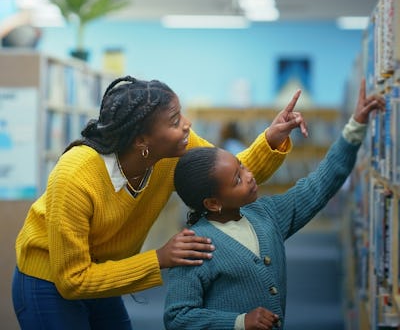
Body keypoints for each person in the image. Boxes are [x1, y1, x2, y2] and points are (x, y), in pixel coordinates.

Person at [12, 75, 308, 329]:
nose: (187, 125)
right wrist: (160, 258)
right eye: (175, 120)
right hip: (49, 279)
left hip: (102, 271)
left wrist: (271, 138)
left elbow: (229, 177)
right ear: (142, 140)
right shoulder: (75, 175)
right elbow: (72, 280)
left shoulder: (175, 151)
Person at [164, 78, 385, 330]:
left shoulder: (266, 215)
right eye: (237, 180)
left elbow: (320, 185)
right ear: (213, 203)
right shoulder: (194, 247)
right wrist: (239, 322)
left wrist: (355, 127)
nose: (249, 176)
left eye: (242, 166)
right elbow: (177, 318)